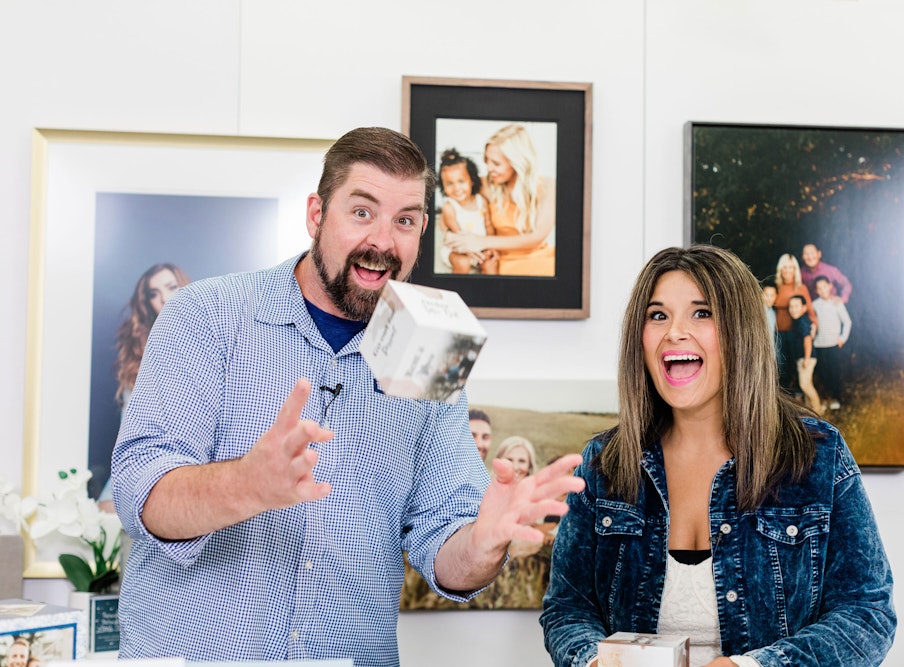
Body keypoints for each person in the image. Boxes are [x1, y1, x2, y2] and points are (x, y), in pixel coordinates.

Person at [110, 127, 584, 667]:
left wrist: (484, 542)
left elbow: (447, 543)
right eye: (362, 212)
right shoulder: (205, 315)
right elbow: (138, 492)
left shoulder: (432, 354)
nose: (383, 240)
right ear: (316, 215)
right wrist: (244, 484)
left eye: (404, 220)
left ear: (422, 231)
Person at [540, 245, 895, 667]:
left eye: (702, 312)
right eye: (658, 315)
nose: (675, 332)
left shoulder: (818, 455)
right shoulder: (603, 462)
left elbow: (866, 614)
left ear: (741, 331)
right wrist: (593, 662)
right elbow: (568, 608)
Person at [97, 262, 191, 512]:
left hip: (192, 462)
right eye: (153, 293)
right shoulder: (139, 356)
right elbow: (129, 427)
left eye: (171, 287)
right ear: (147, 302)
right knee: (107, 508)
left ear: (184, 287)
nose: (163, 298)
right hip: (145, 457)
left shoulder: (208, 340)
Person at [444, 124, 556, 276]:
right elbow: (454, 205)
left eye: (496, 163)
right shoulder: (484, 184)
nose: (489, 168)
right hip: (500, 260)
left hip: (541, 258)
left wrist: (482, 241)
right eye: (487, 161)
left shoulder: (548, 187)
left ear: (517, 162)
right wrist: (450, 235)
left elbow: (536, 238)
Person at [436, 148, 497, 274]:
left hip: (480, 246)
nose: (456, 188)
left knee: (490, 264)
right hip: (458, 249)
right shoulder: (449, 207)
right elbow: (457, 236)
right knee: (462, 263)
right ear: (443, 186)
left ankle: (491, 291)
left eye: (461, 181)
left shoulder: (481, 201)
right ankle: (457, 289)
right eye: (449, 184)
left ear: (472, 180)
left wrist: (491, 247)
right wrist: (469, 251)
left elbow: (489, 225)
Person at [774, 253, 816, 397]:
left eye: (790, 268)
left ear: (795, 269)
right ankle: (786, 395)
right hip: (778, 332)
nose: (787, 271)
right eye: (784, 267)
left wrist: (814, 325)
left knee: (795, 365)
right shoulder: (777, 286)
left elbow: (809, 308)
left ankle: (799, 395)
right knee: (782, 365)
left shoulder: (800, 287)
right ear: (780, 269)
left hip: (794, 333)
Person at [811, 275, 852, 410]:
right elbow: (812, 322)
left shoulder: (837, 303)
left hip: (833, 344)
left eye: (824, 286)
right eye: (819, 288)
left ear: (830, 286)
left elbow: (847, 322)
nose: (822, 290)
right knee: (823, 373)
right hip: (819, 344)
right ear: (816, 291)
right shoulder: (815, 305)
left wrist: (842, 338)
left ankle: (837, 397)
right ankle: (825, 398)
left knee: (835, 372)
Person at [787, 295, 822, 413]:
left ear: (804, 308)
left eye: (796, 306)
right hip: (802, 358)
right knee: (807, 383)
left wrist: (806, 358)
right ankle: (809, 410)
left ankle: (817, 410)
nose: (793, 309)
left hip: (807, 358)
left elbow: (807, 340)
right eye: (791, 307)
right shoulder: (798, 321)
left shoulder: (802, 321)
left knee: (804, 385)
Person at [760, 281, 778, 353]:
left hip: (770, 351)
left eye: (772, 295)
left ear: (776, 296)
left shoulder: (773, 312)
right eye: (766, 295)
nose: (769, 298)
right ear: (761, 294)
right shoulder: (758, 312)